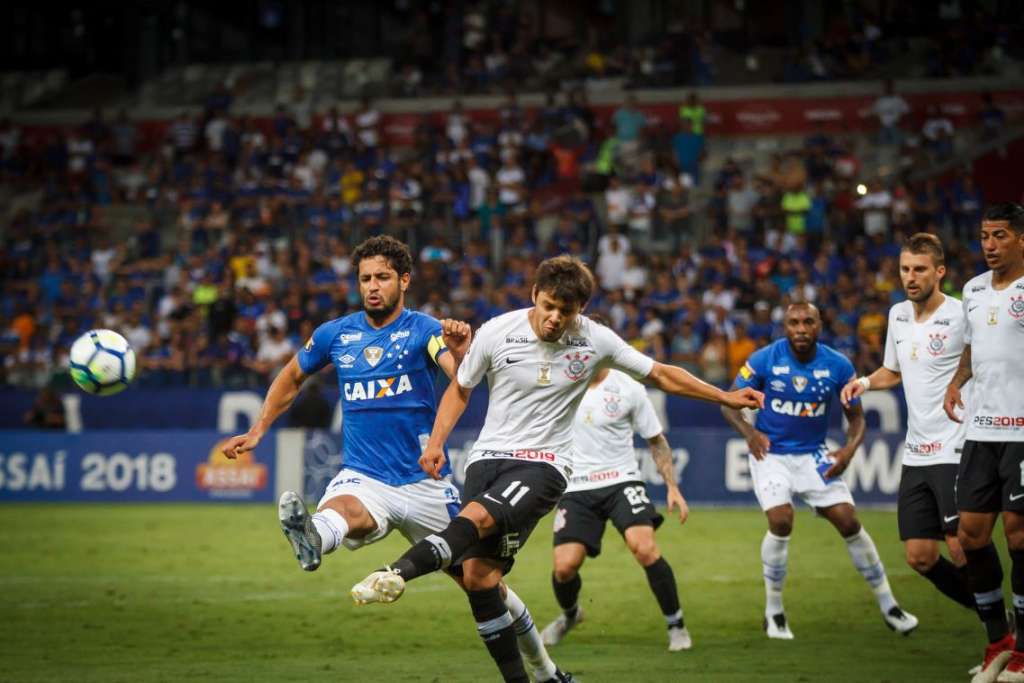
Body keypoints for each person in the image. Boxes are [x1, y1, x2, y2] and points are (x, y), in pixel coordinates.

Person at [351, 255, 763, 683]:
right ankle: (542, 678)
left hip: (544, 465)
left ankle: (396, 572)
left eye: (565, 312)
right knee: (479, 579)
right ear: (534, 295)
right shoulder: (498, 332)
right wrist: (436, 442)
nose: (553, 318)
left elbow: (660, 374)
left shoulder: (595, 340)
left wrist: (724, 396)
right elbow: (461, 388)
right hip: (487, 461)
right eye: (547, 306)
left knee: (475, 519)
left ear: (579, 310)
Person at [220, 236, 566, 683]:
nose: (372, 287)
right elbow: (291, 376)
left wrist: (461, 352)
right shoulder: (335, 335)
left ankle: (545, 671)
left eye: (382, 277)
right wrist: (258, 429)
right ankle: (312, 537)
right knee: (342, 511)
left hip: (425, 484)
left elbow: (458, 375)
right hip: (366, 476)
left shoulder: (423, 330)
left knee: (485, 585)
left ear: (403, 280)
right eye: (365, 278)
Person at [721, 302, 918, 640]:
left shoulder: (838, 366)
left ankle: (889, 606)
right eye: (794, 322)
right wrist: (750, 433)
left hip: (814, 455)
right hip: (773, 455)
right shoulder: (764, 359)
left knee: (849, 521)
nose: (800, 328)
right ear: (785, 326)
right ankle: (774, 612)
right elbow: (728, 402)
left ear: (819, 325)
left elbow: (857, 420)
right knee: (781, 520)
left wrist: (847, 451)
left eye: (808, 322)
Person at [541, 312, 693, 652]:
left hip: (621, 481)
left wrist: (671, 486)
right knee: (564, 568)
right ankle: (570, 615)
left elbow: (656, 440)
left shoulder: (629, 388)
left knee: (645, 548)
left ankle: (676, 625)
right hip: (576, 487)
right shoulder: (558, 383)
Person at [840, 233, 973, 611]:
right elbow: (892, 371)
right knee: (920, 556)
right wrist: (863, 383)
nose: (910, 277)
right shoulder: (897, 314)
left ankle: (998, 638)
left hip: (955, 443)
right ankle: (1000, 620)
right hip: (917, 451)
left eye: (919, 269)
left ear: (939, 272)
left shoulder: (961, 314)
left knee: (961, 546)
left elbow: (986, 360)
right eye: (904, 269)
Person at [941, 203, 1024, 683]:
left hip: (1022, 434)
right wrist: (957, 381)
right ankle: (1000, 641)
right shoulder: (972, 290)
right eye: (984, 236)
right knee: (971, 537)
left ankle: (1023, 653)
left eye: (1000, 235)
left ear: (1020, 239)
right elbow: (973, 348)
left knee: (1018, 536)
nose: (989, 245)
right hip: (981, 431)